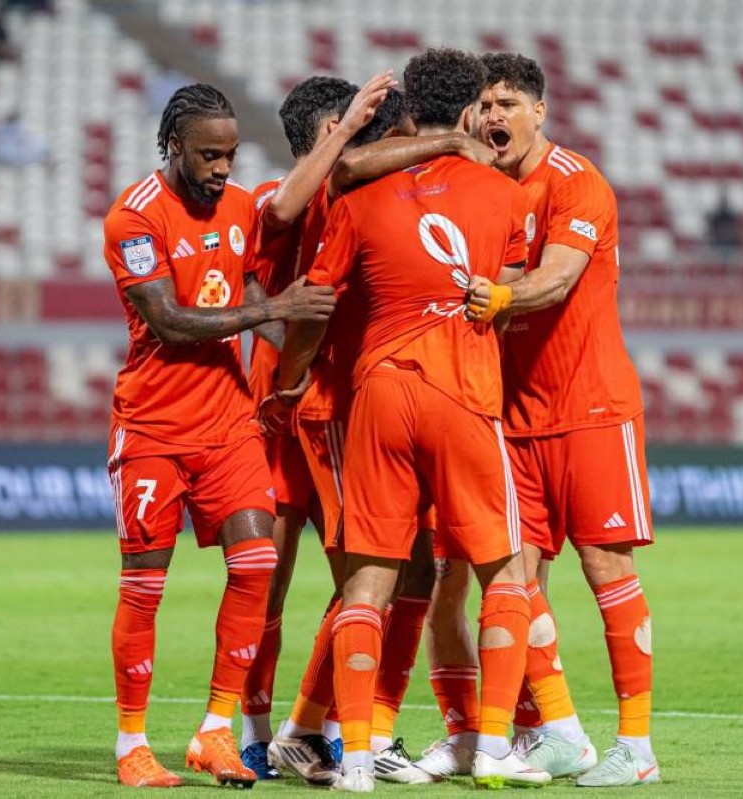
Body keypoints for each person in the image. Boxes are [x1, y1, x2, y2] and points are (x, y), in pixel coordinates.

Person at [273, 47, 548, 792]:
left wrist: (288, 378)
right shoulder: (503, 194)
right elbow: (507, 292)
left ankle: (358, 758)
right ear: (469, 111)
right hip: (462, 390)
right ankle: (492, 745)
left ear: (406, 111)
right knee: (504, 573)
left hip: (378, 395)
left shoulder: (358, 196)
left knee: (366, 582)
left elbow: (315, 303)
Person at [100, 82, 337, 789]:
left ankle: (215, 731)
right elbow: (170, 321)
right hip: (152, 427)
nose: (223, 168)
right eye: (209, 155)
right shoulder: (133, 217)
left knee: (257, 565)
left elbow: (254, 295)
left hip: (229, 423)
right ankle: (132, 743)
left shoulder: (238, 210)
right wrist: (276, 310)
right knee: (145, 587)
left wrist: (302, 355)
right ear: (174, 146)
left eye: (230, 155)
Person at [261, 85, 483, 787]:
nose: (410, 152)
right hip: (333, 403)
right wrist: (450, 141)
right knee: (363, 578)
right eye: (402, 138)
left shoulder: (374, 194)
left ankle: (361, 728)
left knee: (408, 569)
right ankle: (309, 730)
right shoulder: (332, 188)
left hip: (380, 405)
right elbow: (309, 289)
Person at [465, 52, 659, 787]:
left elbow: (556, 278)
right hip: (515, 416)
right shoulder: (485, 191)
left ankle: (636, 747)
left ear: (539, 112)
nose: (494, 117)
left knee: (607, 567)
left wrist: (495, 296)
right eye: (485, 105)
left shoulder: (577, 182)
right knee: (514, 576)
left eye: (508, 104)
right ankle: (560, 730)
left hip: (592, 408)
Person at [237, 72, 383, 779]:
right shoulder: (276, 198)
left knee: (361, 572)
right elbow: (255, 278)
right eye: (352, 127)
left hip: (338, 409)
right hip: (275, 409)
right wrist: (289, 350)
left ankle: (318, 723)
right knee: (267, 577)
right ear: (327, 132)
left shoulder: (361, 200)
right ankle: (254, 728)